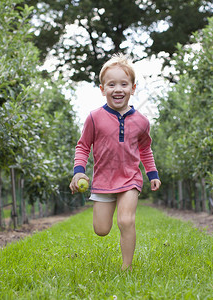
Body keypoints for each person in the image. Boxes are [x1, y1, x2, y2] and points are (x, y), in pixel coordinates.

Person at [69, 53, 161, 271]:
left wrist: (152, 173)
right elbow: (83, 146)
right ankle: (115, 246)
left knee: (126, 220)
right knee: (101, 229)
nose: (117, 89)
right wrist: (79, 171)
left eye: (123, 84)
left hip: (130, 178)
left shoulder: (141, 121)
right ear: (102, 89)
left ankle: (126, 268)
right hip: (103, 179)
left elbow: (145, 149)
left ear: (133, 88)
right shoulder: (94, 118)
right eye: (111, 84)